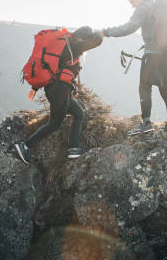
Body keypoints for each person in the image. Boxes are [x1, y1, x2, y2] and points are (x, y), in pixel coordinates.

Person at [15, 26, 103, 164]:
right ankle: (25, 145)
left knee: (79, 113)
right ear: (84, 38)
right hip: (60, 92)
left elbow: (53, 68)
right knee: (54, 124)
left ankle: (74, 148)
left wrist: (35, 87)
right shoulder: (76, 47)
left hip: (55, 90)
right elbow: (97, 42)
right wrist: (101, 33)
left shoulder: (66, 44)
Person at [100, 0, 167, 135]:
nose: (132, 5)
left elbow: (130, 27)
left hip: (152, 53)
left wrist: (106, 32)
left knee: (144, 87)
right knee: (166, 88)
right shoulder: (158, 7)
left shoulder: (144, 7)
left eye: (132, 0)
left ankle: (146, 123)